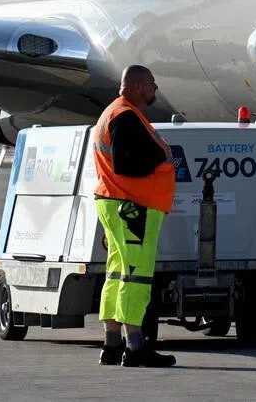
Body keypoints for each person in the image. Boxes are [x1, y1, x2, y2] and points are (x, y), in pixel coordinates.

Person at [93, 64, 178, 368]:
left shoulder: (117, 112)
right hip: (133, 206)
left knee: (117, 271)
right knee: (136, 275)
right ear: (140, 86)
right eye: (152, 85)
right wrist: (160, 157)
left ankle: (111, 345)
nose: (155, 90)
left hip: (116, 202)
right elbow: (126, 164)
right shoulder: (125, 116)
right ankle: (136, 346)